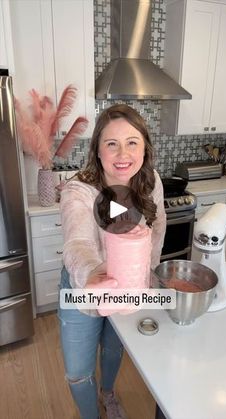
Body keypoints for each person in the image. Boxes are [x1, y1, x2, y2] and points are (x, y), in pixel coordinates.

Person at [58, 104, 167, 419]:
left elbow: (157, 226)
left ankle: (107, 393)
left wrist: (147, 274)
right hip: (84, 288)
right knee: (77, 372)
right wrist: (93, 272)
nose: (123, 153)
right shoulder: (79, 190)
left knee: (114, 347)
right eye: (112, 143)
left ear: (144, 148)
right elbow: (77, 242)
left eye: (132, 142)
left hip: (129, 285)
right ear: (97, 151)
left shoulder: (150, 182)